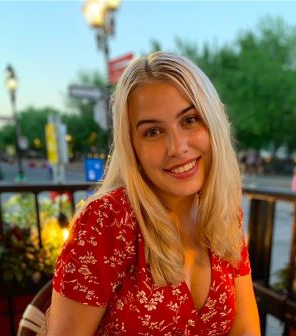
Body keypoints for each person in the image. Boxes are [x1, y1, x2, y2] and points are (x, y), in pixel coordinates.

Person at [46, 52, 260, 335]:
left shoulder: (223, 211)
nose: (177, 147)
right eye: (153, 132)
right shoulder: (107, 220)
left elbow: (246, 329)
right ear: (132, 146)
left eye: (189, 120)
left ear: (213, 124)